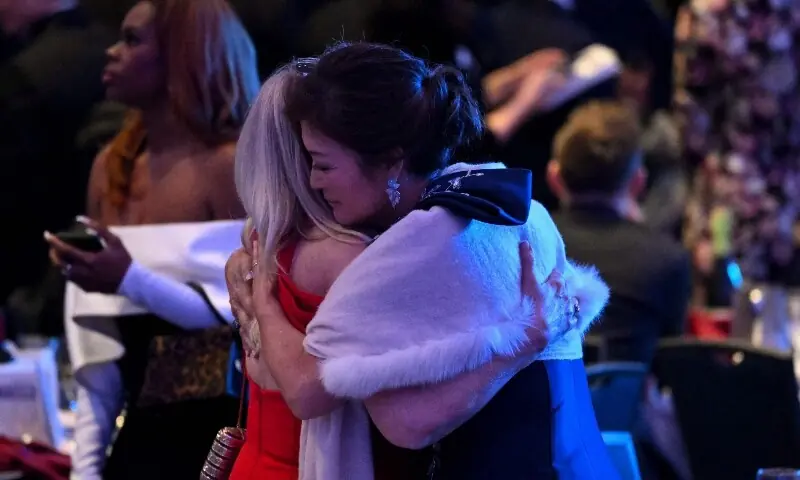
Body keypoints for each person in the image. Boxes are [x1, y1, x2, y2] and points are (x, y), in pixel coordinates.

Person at [229, 42, 618, 479]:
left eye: (323, 165)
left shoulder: (407, 251)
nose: (314, 182)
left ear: (392, 162)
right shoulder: (513, 201)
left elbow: (379, 415)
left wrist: (262, 299)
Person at [44, 0, 259, 478]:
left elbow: (242, 311)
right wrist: (85, 466)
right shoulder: (110, 168)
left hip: (224, 432)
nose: (111, 51)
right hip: (139, 435)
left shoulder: (230, 167)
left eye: (132, 39)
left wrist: (128, 279)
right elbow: (96, 350)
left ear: (185, 55)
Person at [547, 101, 691, 364]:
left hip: (535, 403)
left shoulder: (524, 244)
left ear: (554, 177)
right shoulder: (667, 259)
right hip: (620, 405)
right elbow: (670, 370)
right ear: (638, 182)